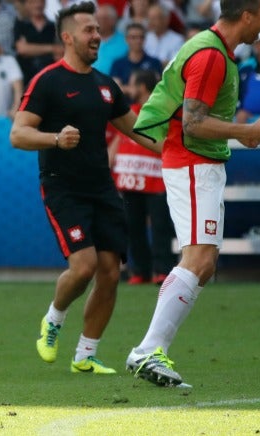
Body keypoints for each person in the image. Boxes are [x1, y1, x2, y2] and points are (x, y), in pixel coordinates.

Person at [9, 1, 158, 374]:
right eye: (89, 30)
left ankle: (85, 355)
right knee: (84, 266)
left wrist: (178, 150)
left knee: (110, 272)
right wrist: (56, 139)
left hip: (103, 189)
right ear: (68, 37)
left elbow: (136, 131)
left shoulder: (106, 86)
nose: (97, 35)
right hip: (63, 187)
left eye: (97, 29)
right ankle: (53, 321)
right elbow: (18, 134)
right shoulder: (48, 80)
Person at [128, 0, 260, 387]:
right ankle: (146, 351)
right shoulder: (210, 56)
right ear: (247, 15)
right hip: (191, 162)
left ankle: (149, 350)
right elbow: (192, 123)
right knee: (199, 258)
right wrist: (247, 132)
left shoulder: (213, 49)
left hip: (197, 163)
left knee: (203, 262)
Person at [109, 69, 175, 285]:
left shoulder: (160, 113)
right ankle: (140, 271)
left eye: (133, 84)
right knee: (133, 228)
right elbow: (117, 144)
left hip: (156, 181)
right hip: (129, 181)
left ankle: (162, 270)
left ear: (143, 88)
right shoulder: (127, 113)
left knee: (160, 228)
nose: (129, 88)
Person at [109, 22, 162, 94]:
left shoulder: (155, 62)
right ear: (126, 39)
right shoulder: (118, 64)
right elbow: (115, 89)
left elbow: (158, 88)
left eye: (141, 37)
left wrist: (128, 89)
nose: (138, 41)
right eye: (133, 37)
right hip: (125, 104)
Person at [236, 28, 260, 123]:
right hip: (248, 121)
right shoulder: (244, 67)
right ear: (256, 45)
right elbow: (233, 94)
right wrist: (238, 111)